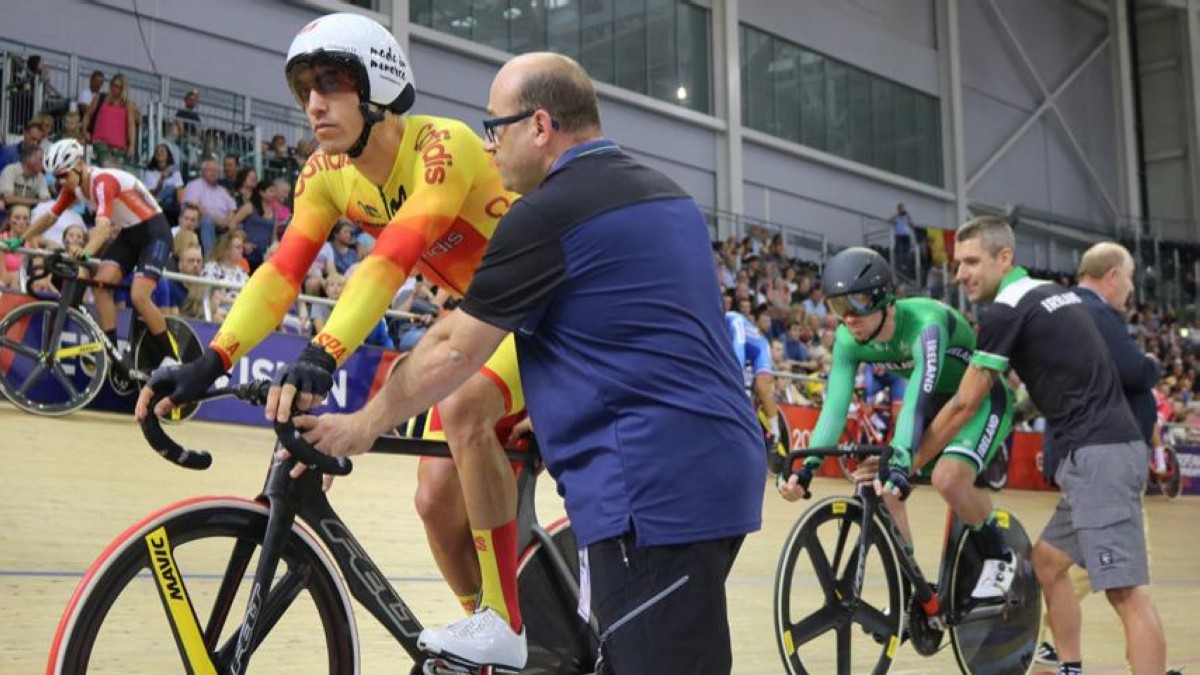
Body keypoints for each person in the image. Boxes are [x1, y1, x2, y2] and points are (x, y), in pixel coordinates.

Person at [288, 51, 765, 675]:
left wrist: (361, 424)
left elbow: (455, 347)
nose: (490, 146)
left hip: (647, 493)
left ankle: (500, 626)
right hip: (718, 470)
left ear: (539, 126)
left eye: (497, 127)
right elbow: (642, 329)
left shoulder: (547, 214)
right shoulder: (669, 197)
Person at [135, 12, 533, 672]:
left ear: (376, 87)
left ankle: (506, 624)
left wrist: (321, 354)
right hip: (476, 322)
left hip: (539, 316)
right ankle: (486, 646)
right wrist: (209, 360)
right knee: (434, 502)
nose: (314, 102)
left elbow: (392, 258)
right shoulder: (326, 172)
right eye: (304, 88)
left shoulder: (446, 144)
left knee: (464, 411)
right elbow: (281, 273)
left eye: (332, 82)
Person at [923, 216, 1165, 675]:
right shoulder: (1051, 294)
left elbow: (965, 403)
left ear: (1004, 258)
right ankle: (1068, 668)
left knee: (1126, 593)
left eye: (971, 262)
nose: (960, 274)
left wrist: (908, 459)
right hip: (1093, 455)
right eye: (957, 264)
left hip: (1099, 457)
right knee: (1047, 566)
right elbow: (1058, 377)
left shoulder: (1007, 308)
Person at [777, 247, 1017, 599]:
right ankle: (915, 597)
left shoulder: (925, 323)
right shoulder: (848, 338)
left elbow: (918, 400)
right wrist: (806, 464)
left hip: (979, 400)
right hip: (937, 403)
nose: (849, 318)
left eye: (856, 304)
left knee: (948, 479)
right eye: (837, 307)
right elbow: (834, 409)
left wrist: (901, 460)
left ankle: (1000, 554)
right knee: (882, 488)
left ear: (885, 298)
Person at [11, 139, 179, 392]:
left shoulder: (102, 181)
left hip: (155, 232)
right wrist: (20, 238)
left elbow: (101, 228)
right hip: (130, 234)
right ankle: (113, 355)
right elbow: (50, 216)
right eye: (56, 177)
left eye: (64, 175)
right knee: (102, 285)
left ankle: (172, 358)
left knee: (139, 296)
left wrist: (85, 252)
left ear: (79, 165)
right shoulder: (74, 186)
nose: (61, 182)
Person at [726, 308, 783, 462]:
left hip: (759, 350)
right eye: (765, 319)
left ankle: (775, 431)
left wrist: (734, 375)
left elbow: (739, 347)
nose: (768, 323)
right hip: (743, 351)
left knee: (762, 386)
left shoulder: (733, 318)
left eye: (769, 320)